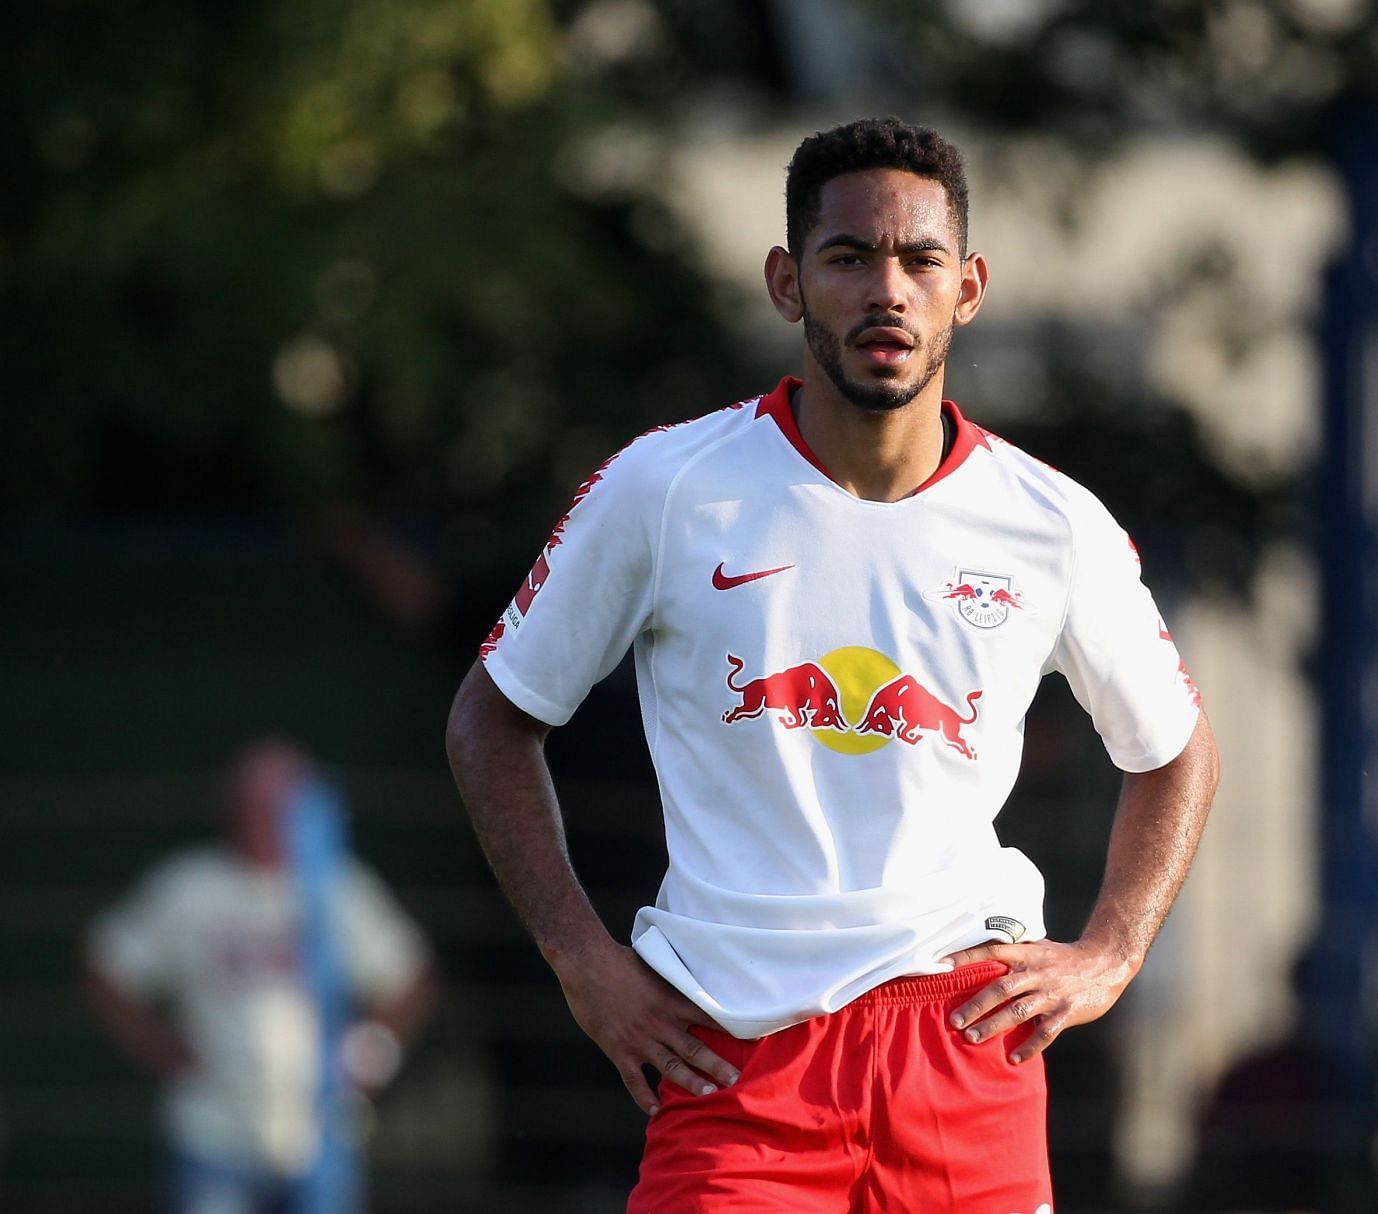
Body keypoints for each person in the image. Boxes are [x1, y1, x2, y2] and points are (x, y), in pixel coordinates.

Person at [445, 116, 1219, 1213]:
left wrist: (1114, 948)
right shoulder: (668, 487)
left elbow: (1177, 750)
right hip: (735, 1054)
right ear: (788, 281)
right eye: (849, 256)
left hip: (962, 1044)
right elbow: (492, 716)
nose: (886, 289)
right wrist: (581, 958)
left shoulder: (1052, 522)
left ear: (971, 286)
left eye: (920, 259)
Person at [83, 738, 437, 1214]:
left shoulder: (341, 889)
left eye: (283, 805)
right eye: (256, 803)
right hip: (211, 1134)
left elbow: (411, 975)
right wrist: (157, 1046)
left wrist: (373, 1049)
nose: (267, 817)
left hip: (323, 1138)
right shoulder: (189, 887)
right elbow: (106, 964)